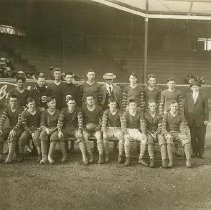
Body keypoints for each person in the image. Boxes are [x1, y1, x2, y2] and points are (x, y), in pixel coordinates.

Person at [57, 97, 88, 164]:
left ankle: (84, 156)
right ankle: (64, 155)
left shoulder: (78, 110)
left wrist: (79, 130)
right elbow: (60, 122)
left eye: (73, 103)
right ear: (67, 103)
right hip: (65, 129)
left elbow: (80, 121)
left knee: (80, 136)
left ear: (75, 103)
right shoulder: (63, 110)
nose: (72, 105)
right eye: (70, 103)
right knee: (60, 136)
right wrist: (59, 130)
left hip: (75, 129)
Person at [162, 100, 192, 168]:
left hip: (179, 133)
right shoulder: (166, 115)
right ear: (170, 107)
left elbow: (184, 125)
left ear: (178, 107)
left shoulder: (181, 115)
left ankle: (188, 160)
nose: (174, 108)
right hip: (170, 133)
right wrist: (167, 134)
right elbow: (163, 127)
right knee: (169, 142)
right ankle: (171, 161)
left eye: (176, 106)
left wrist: (183, 133)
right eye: (173, 106)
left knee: (186, 141)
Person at [184, 80, 209, 158]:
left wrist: (206, 119)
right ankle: (195, 152)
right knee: (192, 137)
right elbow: (185, 108)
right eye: (193, 87)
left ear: (199, 87)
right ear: (191, 88)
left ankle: (201, 152)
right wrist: (185, 119)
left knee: (201, 137)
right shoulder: (188, 96)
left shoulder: (203, 96)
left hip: (201, 120)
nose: (195, 88)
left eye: (196, 87)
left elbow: (206, 108)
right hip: (191, 121)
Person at [121, 99, 147, 166]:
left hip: (136, 131)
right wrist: (126, 133)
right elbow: (123, 125)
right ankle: (128, 159)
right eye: (131, 105)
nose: (133, 106)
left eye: (134, 105)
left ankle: (140, 158)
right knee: (126, 141)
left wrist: (143, 133)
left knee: (144, 139)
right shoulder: (125, 114)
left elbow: (142, 124)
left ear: (136, 106)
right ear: (128, 106)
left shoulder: (140, 114)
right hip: (128, 130)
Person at [143, 101, 167, 168]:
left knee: (162, 140)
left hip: (158, 132)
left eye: (154, 106)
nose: (152, 107)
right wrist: (150, 133)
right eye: (151, 106)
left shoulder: (159, 115)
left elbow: (160, 126)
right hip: (149, 132)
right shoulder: (145, 115)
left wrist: (156, 133)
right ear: (148, 107)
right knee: (150, 140)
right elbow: (144, 127)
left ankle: (164, 160)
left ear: (156, 106)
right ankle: (152, 160)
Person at [17, 98, 42, 162]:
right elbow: (24, 126)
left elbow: (42, 121)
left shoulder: (39, 111)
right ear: (27, 105)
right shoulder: (24, 113)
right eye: (30, 104)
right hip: (28, 129)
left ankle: (40, 154)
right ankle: (20, 154)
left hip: (37, 129)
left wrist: (40, 128)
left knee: (36, 138)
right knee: (22, 138)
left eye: (33, 104)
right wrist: (31, 132)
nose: (32, 106)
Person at [0, 95, 23, 163]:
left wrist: (14, 129)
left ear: (17, 102)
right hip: (10, 128)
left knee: (12, 135)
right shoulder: (7, 110)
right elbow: (2, 120)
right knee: (1, 136)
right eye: (12, 101)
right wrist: (0, 128)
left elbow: (20, 122)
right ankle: (0, 155)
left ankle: (9, 156)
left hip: (19, 128)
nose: (13, 103)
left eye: (15, 101)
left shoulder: (20, 110)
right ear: (9, 102)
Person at [82, 94, 104, 164]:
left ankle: (101, 156)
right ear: (86, 101)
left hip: (96, 128)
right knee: (84, 137)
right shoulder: (83, 108)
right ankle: (90, 155)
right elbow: (80, 119)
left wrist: (100, 126)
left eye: (91, 99)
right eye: (88, 99)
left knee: (99, 138)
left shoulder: (99, 108)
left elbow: (102, 119)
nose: (90, 101)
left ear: (94, 100)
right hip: (87, 129)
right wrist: (83, 128)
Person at [101, 98, 123, 163]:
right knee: (105, 137)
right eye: (111, 104)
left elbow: (122, 122)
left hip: (117, 129)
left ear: (116, 105)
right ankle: (107, 155)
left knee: (122, 137)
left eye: (114, 104)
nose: (113, 106)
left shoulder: (119, 112)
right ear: (109, 105)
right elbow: (104, 123)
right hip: (109, 129)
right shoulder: (106, 112)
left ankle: (120, 155)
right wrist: (104, 132)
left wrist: (122, 131)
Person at [39, 97, 60, 164]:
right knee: (42, 134)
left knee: (54, 136)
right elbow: (42, 124)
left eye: (55, 103)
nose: (54, 104)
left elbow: (60, 124)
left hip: (55, 129)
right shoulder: (44, 112)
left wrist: (53, 129)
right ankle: (44, 157)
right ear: (48, 104)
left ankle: (50, 156)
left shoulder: (58, 112)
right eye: (52, 103)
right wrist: (46, 129)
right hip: (47, 129)